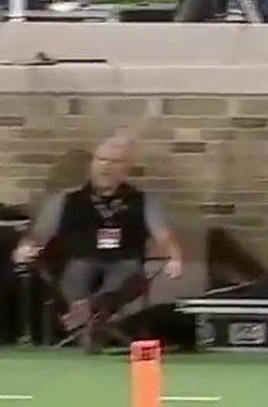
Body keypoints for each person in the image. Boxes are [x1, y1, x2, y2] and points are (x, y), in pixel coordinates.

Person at [13, 134, 184, 351]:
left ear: (125, 168)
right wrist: (25, 247)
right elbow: (39, 234)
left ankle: (86, 315)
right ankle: (94, 323)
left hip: (124, 260)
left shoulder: (141, 200)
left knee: (125, 276)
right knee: (77, 272)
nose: (106, 167)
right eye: (101, 160)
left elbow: (163, 234)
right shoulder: (67, 199)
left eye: (114, 162)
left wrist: (175, 257)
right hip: (80, 259)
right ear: (92, 164)